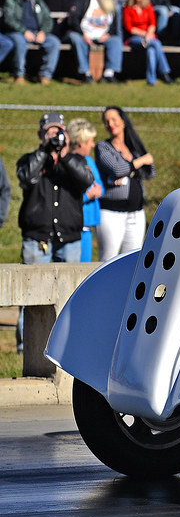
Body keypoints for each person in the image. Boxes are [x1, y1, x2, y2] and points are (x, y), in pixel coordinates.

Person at [15, 111, 95, 351]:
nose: (55, 136)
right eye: (49, 131)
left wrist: (64, 156)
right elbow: (26, 177)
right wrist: (45, 152)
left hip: (68, 238)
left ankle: (64, 345)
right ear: (41, 134)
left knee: (68, 294)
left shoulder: (76, 161)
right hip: (36, 239)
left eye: (58, 131)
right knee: (31, 294)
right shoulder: (30, 159)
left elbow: (85, 181)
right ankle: (25, 346)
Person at [95, 106, 153, 261]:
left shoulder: (133, 146)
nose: (110, 123)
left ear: (123, 121)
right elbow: (118, 168)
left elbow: (150, 170)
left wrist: (131, 167)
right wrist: (138, 163)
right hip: (111, 213)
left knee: (133, 260)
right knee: (108, 260)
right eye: (106, 121)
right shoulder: (103, 147)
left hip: (136, 214)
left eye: (114, 119)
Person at [62, 0, 123, 83]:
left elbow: (113, 25)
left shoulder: (111, 5)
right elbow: (73, 19)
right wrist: (83, 34)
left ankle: (109, 74)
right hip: (83, 34)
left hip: (102, 35)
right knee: (76, 39)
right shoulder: (84, 1)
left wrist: (108, 34)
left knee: (116, 41)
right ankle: (86, 73)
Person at [3, 0, 60, 85]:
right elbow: (9, 20)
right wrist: (24, 31)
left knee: (54, 42)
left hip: (36, 32)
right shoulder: (12, 0)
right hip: (17, 32)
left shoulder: (37, 1)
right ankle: (19, 75)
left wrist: (43, 32)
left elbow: (47, 19)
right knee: (20, 42)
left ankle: (45, 75)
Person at [66, 118, 104, 261]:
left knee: (84, 269)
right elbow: (65, 199)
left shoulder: (89, 161)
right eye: (90, 141)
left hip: (87, 227)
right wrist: (88, 195)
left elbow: (100, 186)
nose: (93, 145)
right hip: (72, 228)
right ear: (81, 142)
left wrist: (99, 191)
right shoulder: (67, 163)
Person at [123, 0, 172, 85]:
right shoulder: (128, 8)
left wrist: (149, 34)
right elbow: (130, 28)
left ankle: (151, 80)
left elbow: (152, 23)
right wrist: (145, 35)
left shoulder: (148, 7)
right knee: (156, 43)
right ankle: (165, 72)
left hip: (148, 36)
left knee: (151, 51)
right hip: (135, 38)